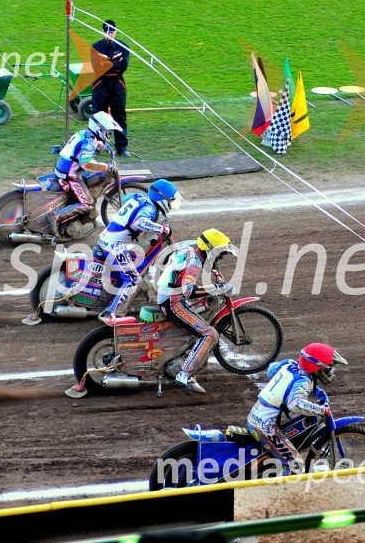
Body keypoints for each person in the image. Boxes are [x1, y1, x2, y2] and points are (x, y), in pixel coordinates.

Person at [155, 229, 237, 394]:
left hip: (167, 294)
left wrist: (214, 272)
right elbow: (189, 291)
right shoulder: (194, 262)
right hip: (173, 302)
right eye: (218, 254)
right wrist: (216, 288)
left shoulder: (191, 248)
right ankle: (184, 374)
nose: (218, 257)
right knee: (210, 334)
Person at [247, 343, 348, 475]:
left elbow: (271, 370)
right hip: (264, 425)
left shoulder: (289, 364)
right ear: (317, 368)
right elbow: (295, 404)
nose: (331, 371)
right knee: (295, 464)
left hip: (256, 416)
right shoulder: (304, 381)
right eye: (328, 367)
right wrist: (321, 410)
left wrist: (316, 391)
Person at [95, 179, 183, 319]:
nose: (171, 206)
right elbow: (140, 222)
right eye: (170, 202)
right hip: (115, 245)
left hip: (109, 239)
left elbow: (127, 198)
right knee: (132, 279)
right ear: (163, 199)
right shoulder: (150, 209)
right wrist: (162, 229)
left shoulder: (139, 198)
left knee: (134, 261)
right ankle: (113, 314)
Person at [48, 111, 122, 238]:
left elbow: (90, 146)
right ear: (99, 130)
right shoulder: (89, 142)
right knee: (88, 204)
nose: (109, 134)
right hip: (70, 176)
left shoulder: (86, 134)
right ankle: (56, 216)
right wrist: (105, 167)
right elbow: (86, 164)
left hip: (63, 170)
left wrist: (103, 146)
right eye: (108, 131)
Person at [92, 19, 131, 158]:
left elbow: (123, 66)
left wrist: (107, 62)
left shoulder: (124, 46)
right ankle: (96, 146)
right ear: (103, 32)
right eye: (107, 32)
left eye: (112, 32)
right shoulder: (96, 47)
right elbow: (98, 68)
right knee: (98, 116)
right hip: (100, 84)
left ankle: (122, 147)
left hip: (117, 84)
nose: (110, 34)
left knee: (119, 115)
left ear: (116, 31)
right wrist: (114, 62)